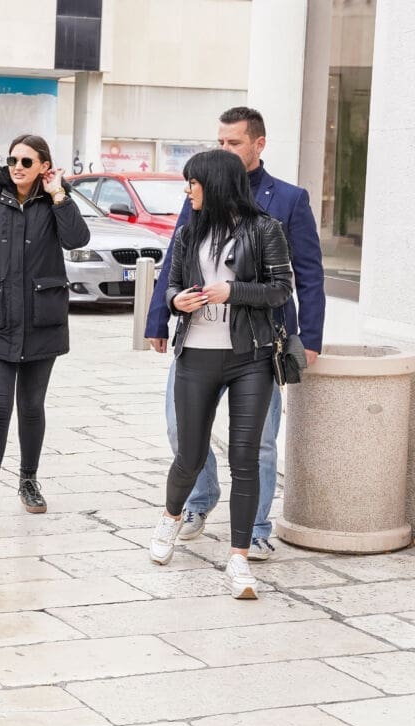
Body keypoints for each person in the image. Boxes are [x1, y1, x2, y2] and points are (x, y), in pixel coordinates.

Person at [144, 106, 325, 561]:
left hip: (259, 343)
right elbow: (176, 262)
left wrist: (311, 338)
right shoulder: (199, 192)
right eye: (220, 141)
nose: (223, 148)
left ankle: (257, 529)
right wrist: (160, 316)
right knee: (180, 432)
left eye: (233, 142)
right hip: (198, 344)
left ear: (258, 144)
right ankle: (199, 501)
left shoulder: (288, 200)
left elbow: (307, 274)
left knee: (258, 442)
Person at [150, 148, 292, 599]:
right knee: (189, 455)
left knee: (245, 458)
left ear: (214, 184)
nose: (187, 190)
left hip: (251, 356)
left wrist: (233, 291)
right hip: (196, 356)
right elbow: (172, 285)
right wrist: (176, 302)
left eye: (193, 183)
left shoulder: (266, 228)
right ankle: (171, 517)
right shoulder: (189, 233)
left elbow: (281, 289)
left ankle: (239, 559)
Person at [0, 135, 90, 528]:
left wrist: (59, 195)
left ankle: (29, 481)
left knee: (32, 407)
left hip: (41, 319)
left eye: (27, 162)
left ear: (44, 166)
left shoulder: (55, 199)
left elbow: (77, 240)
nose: (17, 167)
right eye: (13, 160)